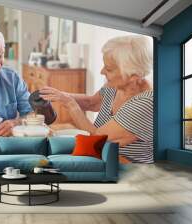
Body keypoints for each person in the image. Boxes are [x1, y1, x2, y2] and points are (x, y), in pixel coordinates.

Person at [40, 35, 154, 163]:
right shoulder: (116, 86)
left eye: (109, 69)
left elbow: (97, 139)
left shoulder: (146, 103)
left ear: (134, 76)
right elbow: (91, 103)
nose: (101, 71)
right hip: (101, 156)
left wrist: (71, 104)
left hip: (126, 169)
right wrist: (60, 95)